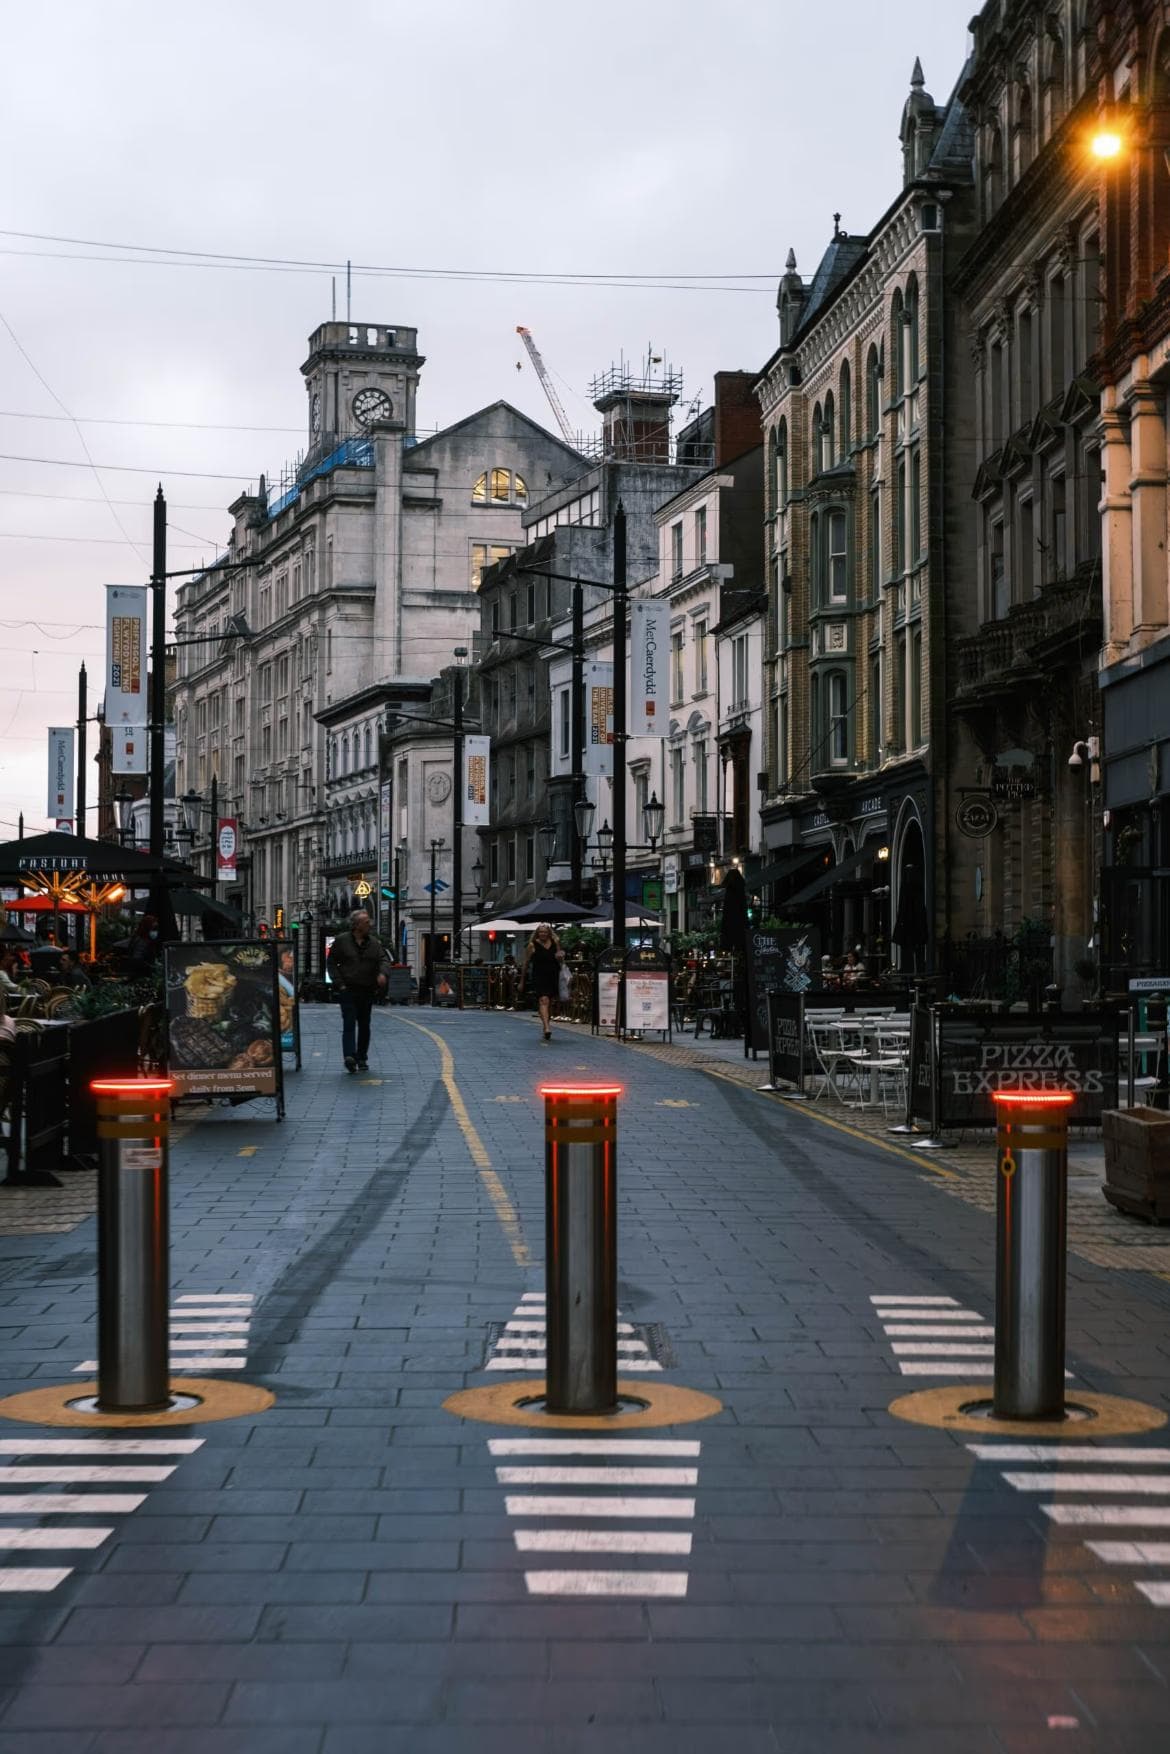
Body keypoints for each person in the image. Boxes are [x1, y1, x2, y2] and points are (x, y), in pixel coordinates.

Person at [326, 909, 390, 1074]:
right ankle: (349, 1056)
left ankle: (361, 1057)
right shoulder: (342, 941)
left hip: (367, 989)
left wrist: (382, 973)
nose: (370, 924)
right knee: (349, 1023)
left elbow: (383, 959)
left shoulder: (374, 943)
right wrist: (339, 984)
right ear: (356, 925)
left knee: (364, 1024)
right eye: (366, 922)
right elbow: (331, 963)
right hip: (347, 989)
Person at [521, 923, 564, 1044]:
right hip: (539, 976)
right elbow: (526, 963)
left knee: (549, 1002)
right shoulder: (532, 945)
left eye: (545, 932)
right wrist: (522, 980)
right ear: (537, 933)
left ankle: (546, 1025)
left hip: (553, 975)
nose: (543, 934)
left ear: (549, 933)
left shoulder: (555, 942)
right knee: (543, 1000)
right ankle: (546, 1027)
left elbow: (560, 959)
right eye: (540, 932)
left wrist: (560, 956)